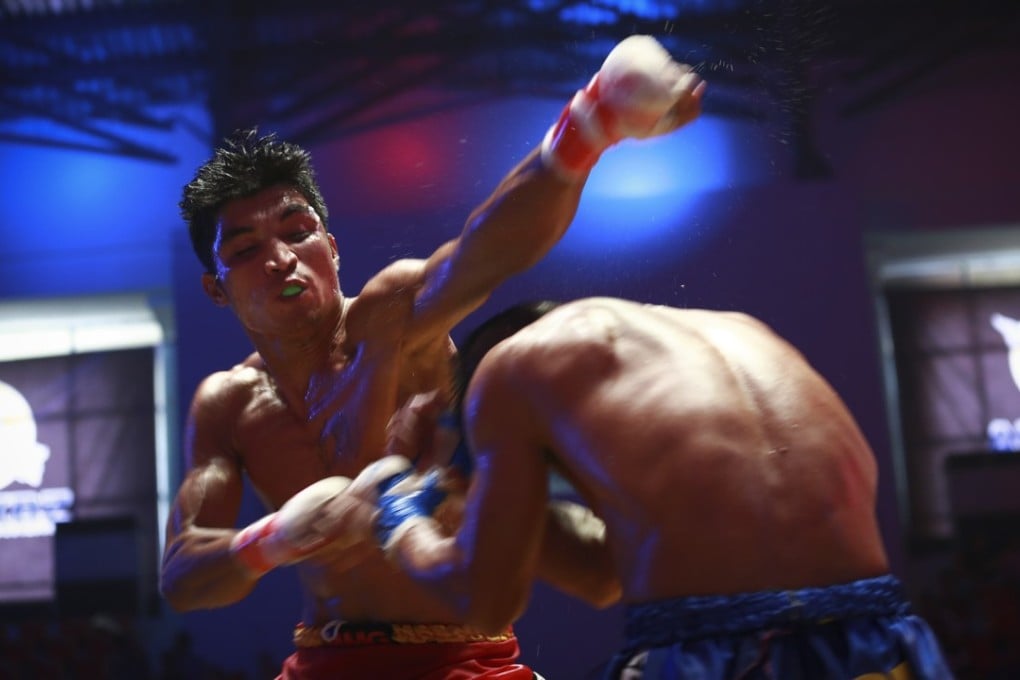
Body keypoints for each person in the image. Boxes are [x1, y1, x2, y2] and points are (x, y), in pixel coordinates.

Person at [159, 35, 706, 680]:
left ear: (332, 248)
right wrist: (271, 540)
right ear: (215, 289)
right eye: (246, 248)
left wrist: (586, 128)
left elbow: (486, 250)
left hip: (465, 659)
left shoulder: (391, 316)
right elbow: (182, 579)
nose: (281, 257)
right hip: (323, 662)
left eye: (297, 230)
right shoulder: (227, 403)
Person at [375, 297, 956, 679]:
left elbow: (486, 600)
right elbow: (605, 574)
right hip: (883, 639)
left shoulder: (505, 368)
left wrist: (398, 505)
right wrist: (459, 486)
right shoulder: (736, 332)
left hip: (720, 652)